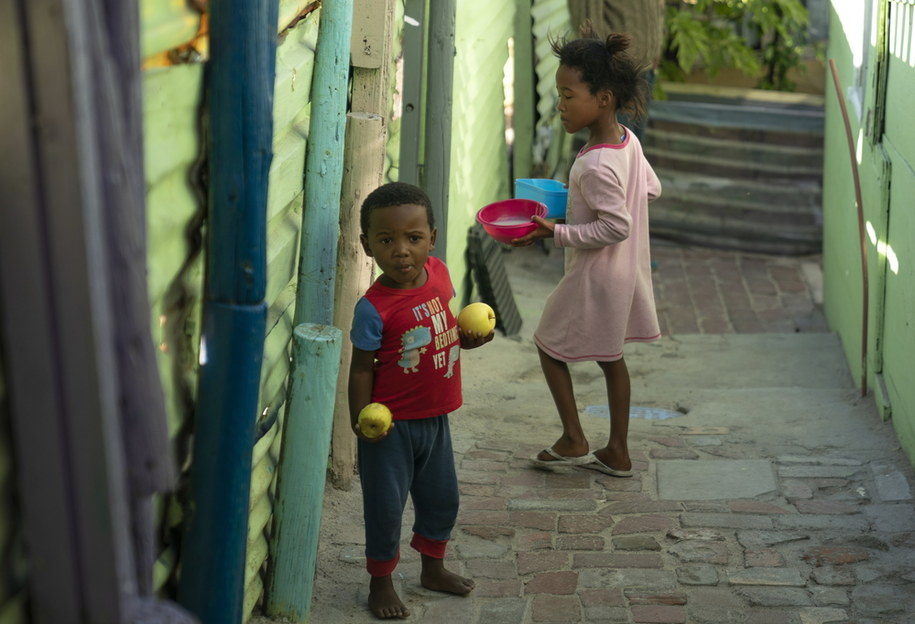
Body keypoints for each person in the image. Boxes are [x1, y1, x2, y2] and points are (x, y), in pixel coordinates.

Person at [511, 29, 662, 478]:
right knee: (611, 358)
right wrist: (589, 200)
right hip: (624, 274)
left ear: (603, 98)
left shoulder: (594, 162)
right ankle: (618, 450)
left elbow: (616, 225)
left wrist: (556, 230)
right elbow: (651, 188)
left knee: (548, 345)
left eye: (568, 94)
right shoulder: (627, 143)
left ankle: (575, 437)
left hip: (595, 275)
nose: (560, 104)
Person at [348, 181, 493, 619]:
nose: (401, 251)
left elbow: (440, 333)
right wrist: (361, 422)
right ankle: (381, 583)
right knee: (386, 508)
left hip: (436, 418)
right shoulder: (373, 308)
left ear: (432, 237)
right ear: (367, 244)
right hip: (390, 428)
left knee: (441, 498)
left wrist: (466, 341)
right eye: (386, 240)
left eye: (413, 238)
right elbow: (360, 369)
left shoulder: (441, 275)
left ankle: (433, 568)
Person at [567, 0, 666, 141]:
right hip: (615, 74)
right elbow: (587, 21)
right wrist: (605, 64)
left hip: (645, 70)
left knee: (634, 148)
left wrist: (657, 49)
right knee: (614, 149)